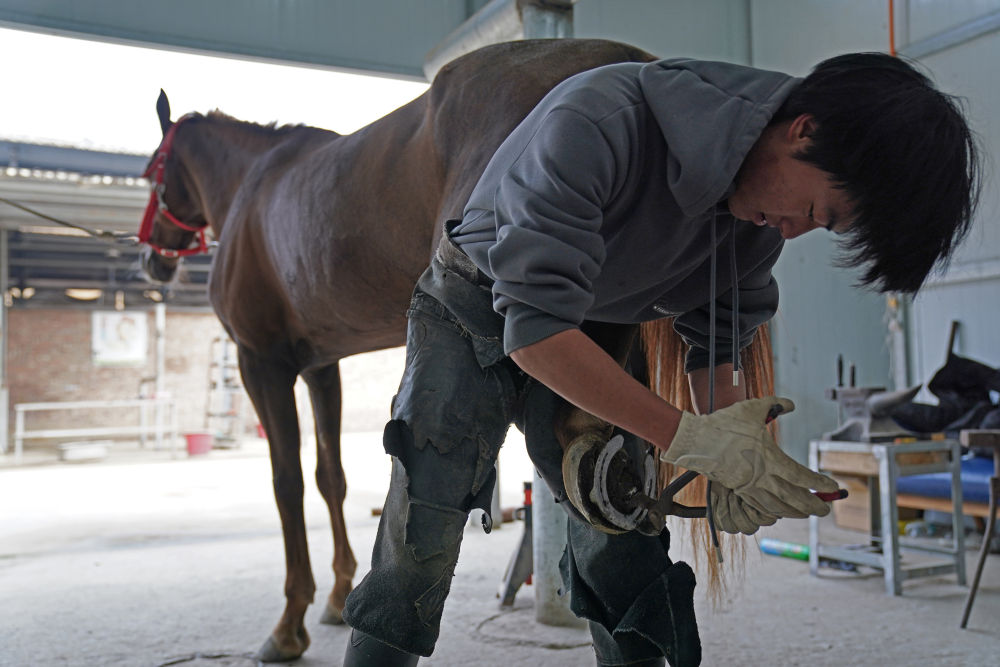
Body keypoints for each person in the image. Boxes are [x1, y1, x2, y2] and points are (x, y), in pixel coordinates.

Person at [341, 51, 980, 667]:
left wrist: (736, 452)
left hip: (598, 320)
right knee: (425, 517)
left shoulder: (756, 220)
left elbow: (715, 348)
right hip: (473, 300)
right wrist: (689, 441)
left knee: (622, 524)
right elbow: (534, 331)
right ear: (803, 130)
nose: (793, 231)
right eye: (816, 211)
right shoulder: (602, 120)